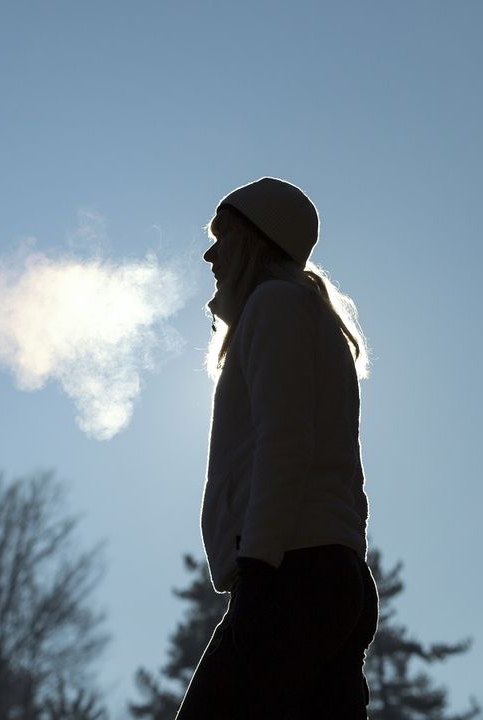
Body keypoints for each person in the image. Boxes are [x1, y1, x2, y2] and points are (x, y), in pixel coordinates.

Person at [176, 177, 379, 719]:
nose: (210, 254)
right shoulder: (305, 315)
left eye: (224, 238)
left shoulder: (275, 306)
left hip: (293, 577)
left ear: (255, 242)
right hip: (329, 576)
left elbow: (284, 443)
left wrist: (259, 569)